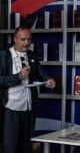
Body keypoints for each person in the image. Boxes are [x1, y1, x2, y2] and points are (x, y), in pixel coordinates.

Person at [0, 25, 56, 153]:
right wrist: (18, 76)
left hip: (29, 108)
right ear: (15, 39)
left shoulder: (32, 55)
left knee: (25, 147)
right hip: (11, 108)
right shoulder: (3, 56)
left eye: (29, 40)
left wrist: (49, 79)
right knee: (10, 148)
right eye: (23, 39)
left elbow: (41, 73)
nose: (27, 43)